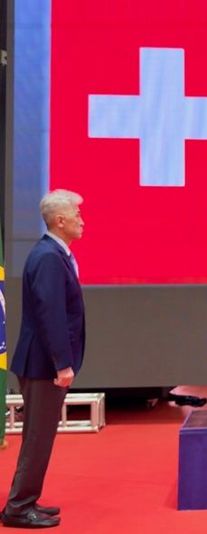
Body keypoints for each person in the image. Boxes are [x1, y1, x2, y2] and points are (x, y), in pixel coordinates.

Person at [2, 190, 86, 529]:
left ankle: (26, 500)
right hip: (43, 365)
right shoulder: (49, 257)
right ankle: (19, 508)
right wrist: (62, 363)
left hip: (41, 362)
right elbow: (51, 314)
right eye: (77, 214)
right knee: (37, 438)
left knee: (38, 437)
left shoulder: (52, 253)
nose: (82, 220)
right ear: (60, 220)